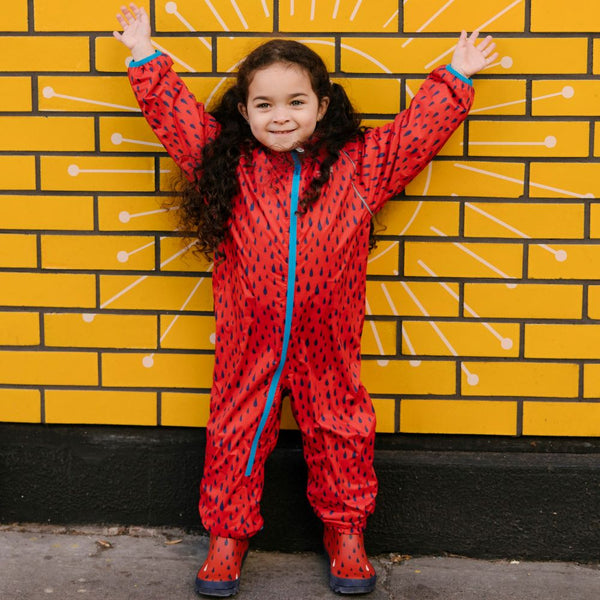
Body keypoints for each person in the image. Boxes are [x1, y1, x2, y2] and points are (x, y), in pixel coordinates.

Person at [114, 4, 497, 596]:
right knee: (234, 433)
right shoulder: (228, 166)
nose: (281, 116)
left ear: (321, 106)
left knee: (342, 432)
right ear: (244, 112)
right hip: (249, 343)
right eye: (264, 105)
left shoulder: (359, 167)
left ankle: (346, 533)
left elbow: (414, 135)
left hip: (328, 344)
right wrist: (144, 54)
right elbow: (176, 117)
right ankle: (227, 537)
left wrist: (456, 76)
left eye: (296, 102)